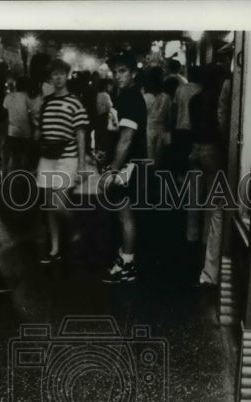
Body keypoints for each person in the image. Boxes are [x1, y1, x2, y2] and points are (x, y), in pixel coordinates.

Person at [33, 59, 89, 265]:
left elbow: (80, 134)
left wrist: (82, 164)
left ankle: (78, 228)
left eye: (61, 74)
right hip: (47, 157)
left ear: (67, 76)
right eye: (53, 75)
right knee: (49, 205)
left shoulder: (75, 102)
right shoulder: (46, 102)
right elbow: (40, 131)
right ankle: (55, 248)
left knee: (58, 202)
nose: (57, 78)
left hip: (67, 157)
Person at [101, 52, 147, 284]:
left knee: (125, 215)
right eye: (115, 71)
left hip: (127, 166)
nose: (118, 76)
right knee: (123, 215)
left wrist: (112, 170)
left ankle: (128, 264)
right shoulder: (125, 96)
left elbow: (127, 138)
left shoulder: (130, 99)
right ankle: (125, 259)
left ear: (133, 73)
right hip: (126, 165)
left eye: (123, 71)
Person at [189, 63, 230, 287]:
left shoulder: (196, 99)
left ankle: (196, 239)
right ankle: (210, 270)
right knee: (217, 207)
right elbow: (222, 127)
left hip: (197, 148)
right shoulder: (219, 97)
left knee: (201, 200)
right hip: (214, 150)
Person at [2, 76, 35, 175]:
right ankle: (24, 175)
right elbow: (31, 111)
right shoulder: (26, 96)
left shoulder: (8, 97)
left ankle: (8, 174)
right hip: (25, 131)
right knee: (25, 155)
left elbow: (4, 111)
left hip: (12, 130)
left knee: (12, 155)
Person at [141, 67, 171, 164]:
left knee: (149, 157)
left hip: (148, 129)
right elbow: (168, 117)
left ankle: (149, 177)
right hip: (161, 129)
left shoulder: (145, 98)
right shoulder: (166, 97)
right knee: (159, 158)